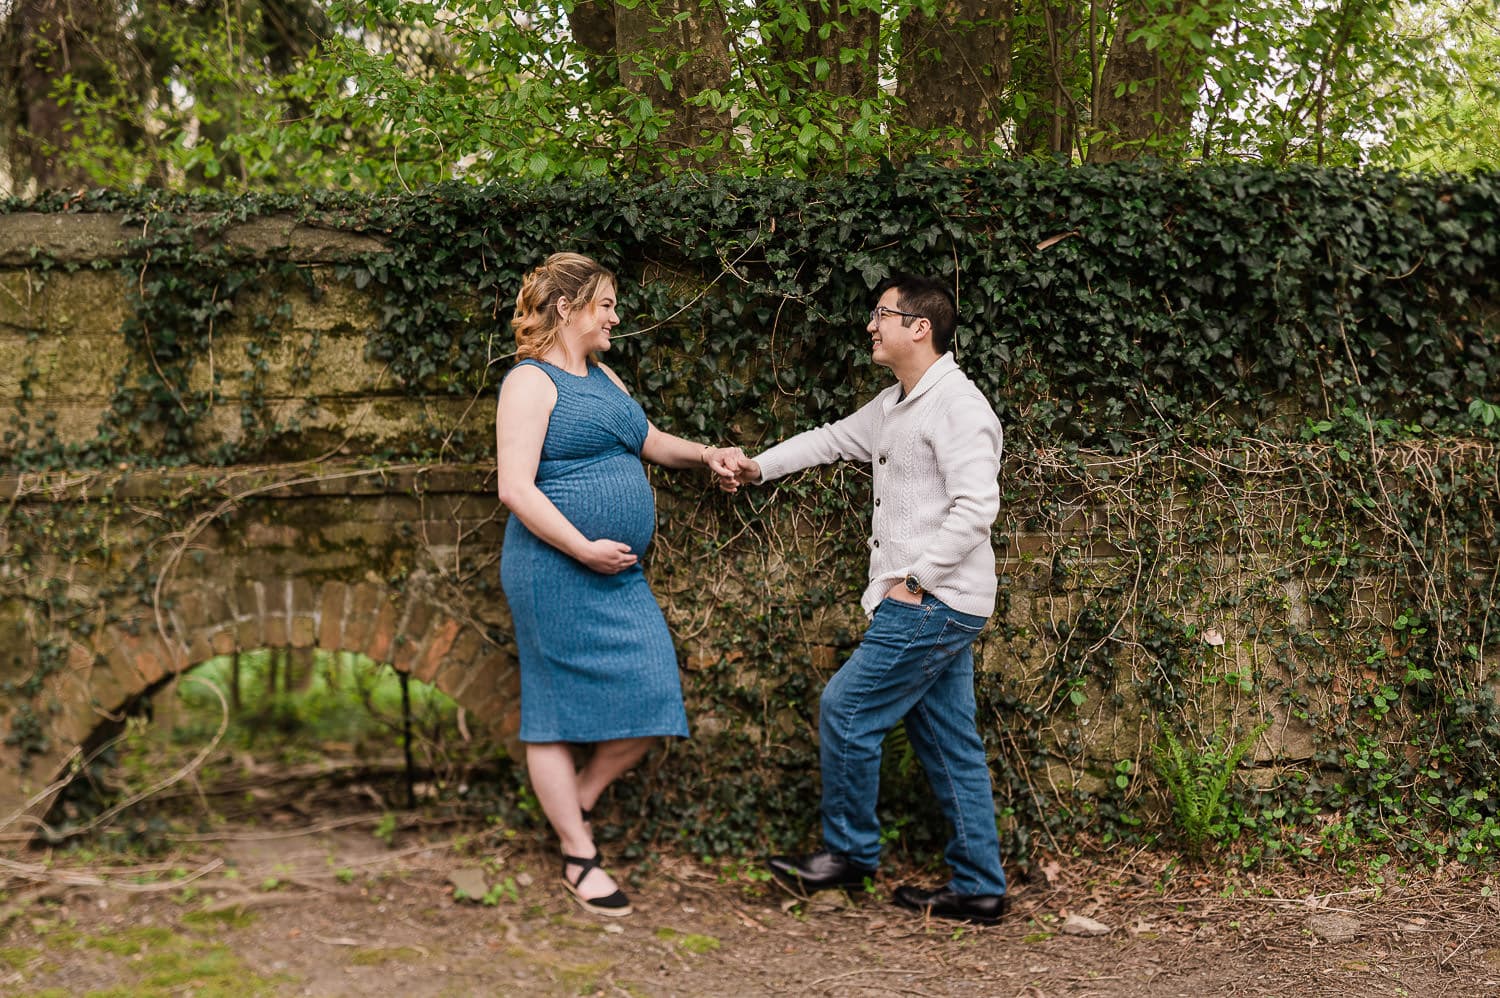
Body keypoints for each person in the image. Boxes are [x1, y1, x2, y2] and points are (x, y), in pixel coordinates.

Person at [720, 274, 1009, 924]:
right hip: (935, 601)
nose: (870, 325)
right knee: (949, 742)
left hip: (932, 601)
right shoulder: (897, 405)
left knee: (846, 711)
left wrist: (915, 579)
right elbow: (828, 439)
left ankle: (848, 854)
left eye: (882, 314)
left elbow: (975, 509)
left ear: (919, 327)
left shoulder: (959, 407)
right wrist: (757, 466)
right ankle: (980, 887)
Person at [496, 252, 743, 917]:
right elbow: (514, 487)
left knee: (654, 691)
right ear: (568, 308)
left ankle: (575, 799)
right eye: (606, 304)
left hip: (617, 573)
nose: (616, 316)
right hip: (552, 568)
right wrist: (581, 547)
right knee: (549, 711)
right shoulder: (529, 382)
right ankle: (580, 856)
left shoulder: (604, 377)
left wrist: (706, 455)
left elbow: (650, 440)